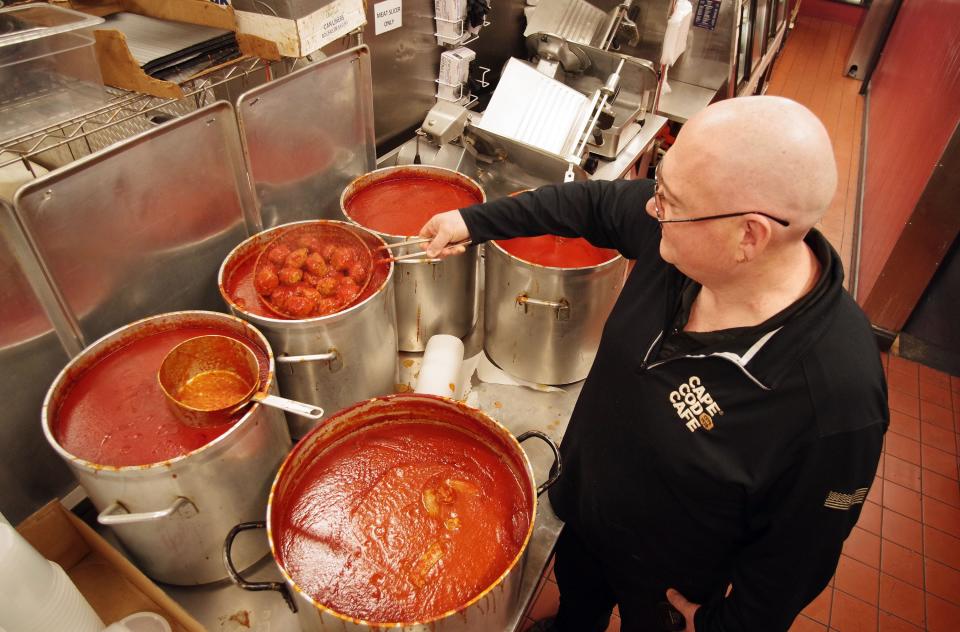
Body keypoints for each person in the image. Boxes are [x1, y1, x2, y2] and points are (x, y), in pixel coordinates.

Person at [418, 96, 888, 632]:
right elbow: (588, 205)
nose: (650, 208)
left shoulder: (836, 398)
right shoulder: (682, 234)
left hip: (668, 582)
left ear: (749, 235)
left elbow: (798, 558)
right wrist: (472, 220)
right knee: (577, 603)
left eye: (668, 200)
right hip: (586, 508)